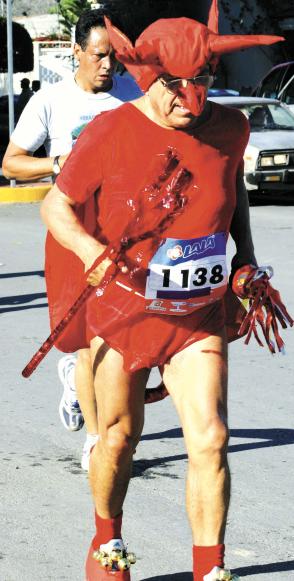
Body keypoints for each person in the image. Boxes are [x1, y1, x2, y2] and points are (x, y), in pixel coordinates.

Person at [39, 1, 287, 579]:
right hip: (124, 309)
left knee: (211, 438)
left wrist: (244, 260)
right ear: (149, 75)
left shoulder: (231, 128)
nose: (190, 100)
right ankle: (108, 541)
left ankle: (210, 569)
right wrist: (90, 254)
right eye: (176, 86)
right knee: (120, 438)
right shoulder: (110, 130)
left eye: (202, 83)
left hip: (197, 314)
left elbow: (234, 193)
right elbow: (58, 205)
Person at [2, 7, 142, 471]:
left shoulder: (132, 97)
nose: (108, 65)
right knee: (88, 342)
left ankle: (96, 403)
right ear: (76, 52)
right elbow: (11, 164)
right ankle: (98, 440)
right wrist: (56, 163)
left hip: (125, 235)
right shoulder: (50, 100)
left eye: (115, 58)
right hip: (73, 233)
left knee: (120, 340)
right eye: (99, 55)